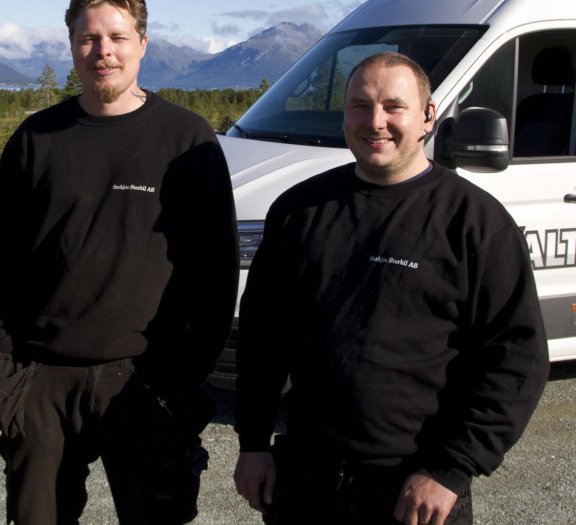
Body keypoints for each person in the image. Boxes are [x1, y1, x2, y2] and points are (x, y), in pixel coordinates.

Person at [233, 52, 549, 525]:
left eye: (393, 107)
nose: (375, 121)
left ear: (427, 117)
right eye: (360, 106)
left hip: (413, 487)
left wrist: (452, 468)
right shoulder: (299, 211)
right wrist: (254, 443)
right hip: (305, 477)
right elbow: (262, 340)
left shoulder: (475, 223)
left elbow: (516, 358)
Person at [0, 0, 239, 525]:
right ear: (71, 44)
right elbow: (0, 259)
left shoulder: (185, 142)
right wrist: (8, 368)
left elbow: (215, 272)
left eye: (118, 38)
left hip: (145, 379)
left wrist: (185, 377)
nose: (103, 52)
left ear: (143, 44)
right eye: (89, 39)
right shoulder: (36, 140)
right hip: (43, 379)